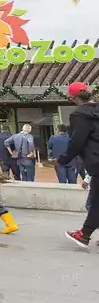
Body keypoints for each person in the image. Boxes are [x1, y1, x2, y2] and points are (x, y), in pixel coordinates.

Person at [58, 82, 99, 249]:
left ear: (73, 97)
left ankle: (84, 235)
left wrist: (63, 159)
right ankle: (85, 234)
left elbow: (77, 142)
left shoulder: (79, 115)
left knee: (97, 202)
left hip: (97, 162)